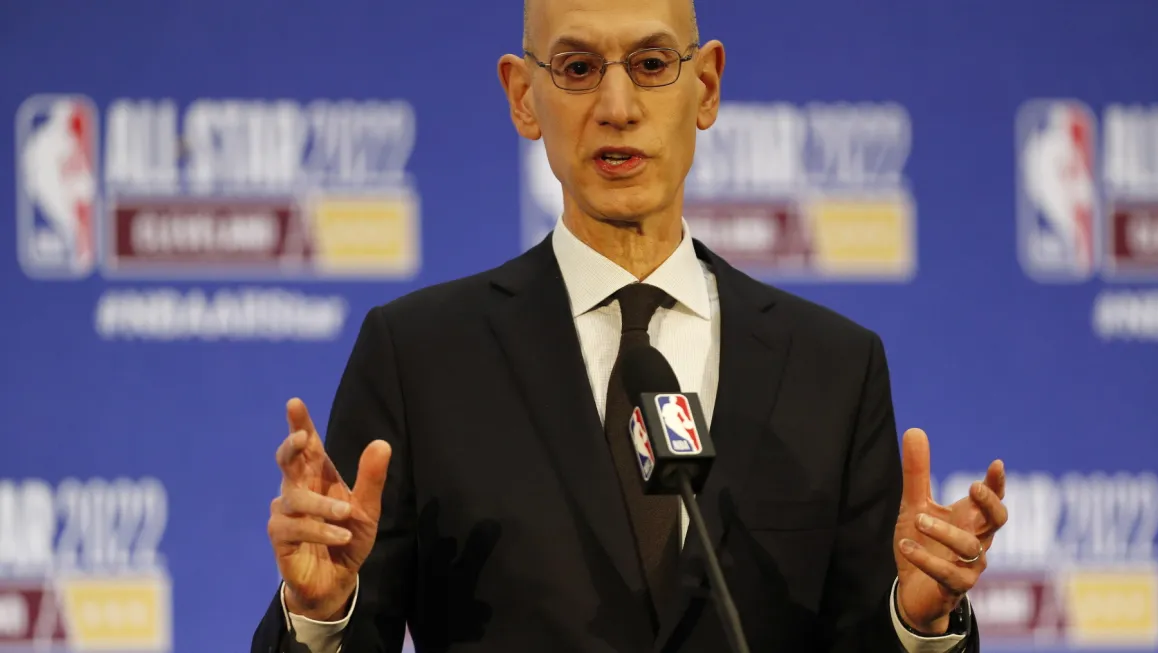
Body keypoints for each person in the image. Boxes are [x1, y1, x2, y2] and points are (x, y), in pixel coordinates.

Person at [252, 0, 1010, 650]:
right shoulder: (419, 357)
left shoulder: (832, 368)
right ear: (522, 97)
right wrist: (319, 613)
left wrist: (918, 621)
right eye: (577, 69)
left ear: (705, 85)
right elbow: (353, 624)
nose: (616, 105)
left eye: (651, 63)